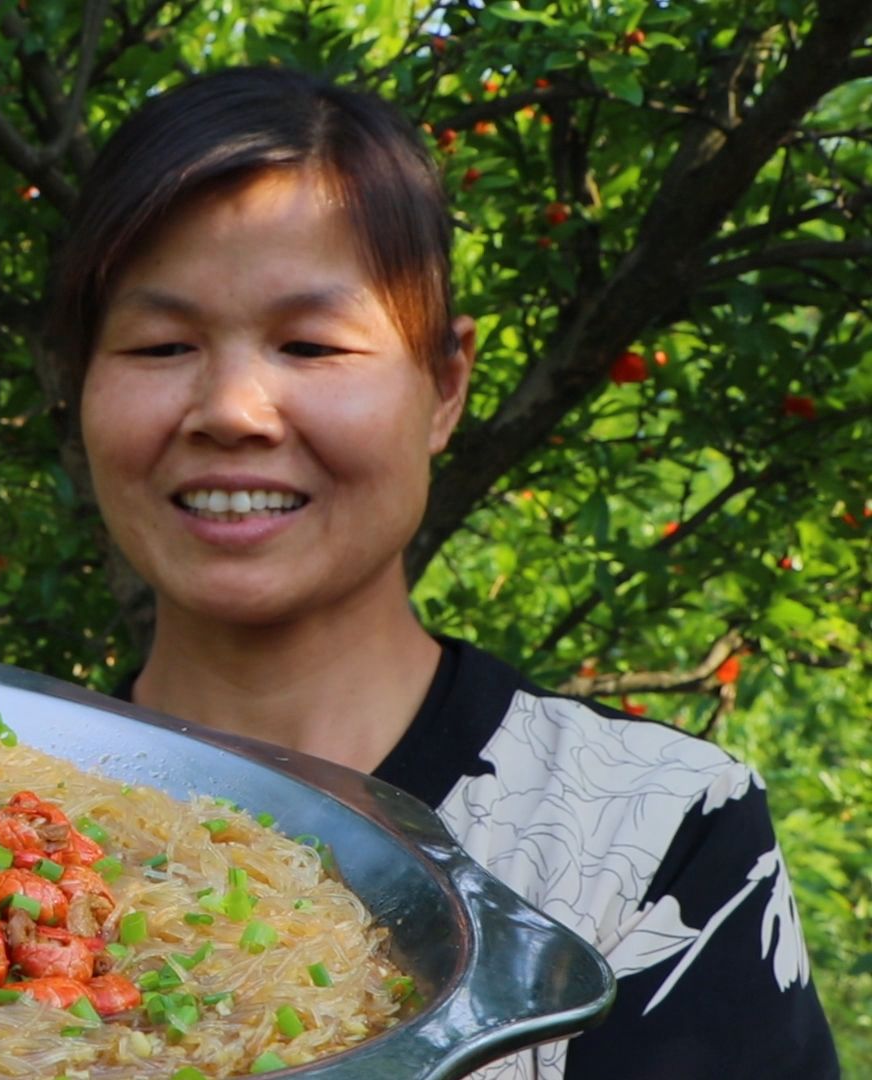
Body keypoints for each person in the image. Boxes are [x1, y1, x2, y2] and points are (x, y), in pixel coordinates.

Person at [44, 66, 839, 1079]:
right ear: (82, 389)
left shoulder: (653, 837)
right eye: (160, 345)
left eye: (311, 343)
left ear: (445, 386)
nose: (233, 409)